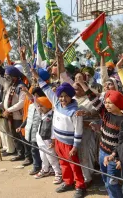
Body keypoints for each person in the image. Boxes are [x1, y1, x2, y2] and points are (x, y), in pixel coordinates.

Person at [35, 66, 86, 198]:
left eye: (66, 96)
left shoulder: (76, 111)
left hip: (69, 144)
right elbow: (45, 89)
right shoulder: (56, 103)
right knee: (63, 163)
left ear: (70, 97)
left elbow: (78, 130)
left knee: (74, 165)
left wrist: (75, 146)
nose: (63, 99)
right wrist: (36, 76)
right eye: (61, 96)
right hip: (58, 141)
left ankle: (80, 186)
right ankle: (68, 181)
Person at [78, 78, 123, 198]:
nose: (107, 105)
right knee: (105, 179)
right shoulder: (105, 113)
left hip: (113, 157)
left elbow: (122, 142)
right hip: (102, 152)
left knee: (112, 182)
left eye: (110, 103)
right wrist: (83, 84)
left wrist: (117, 157)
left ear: (118, 103)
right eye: (106, 102)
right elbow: (94, 99)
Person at [0, 62, 32, 165]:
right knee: (14, 135)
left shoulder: (20, 87)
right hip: (10, 115)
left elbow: (21, 103)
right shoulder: (9, 85)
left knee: (22, 137)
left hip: (18, 116)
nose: (5, 77)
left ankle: (28, 157)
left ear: (14, 77)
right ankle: (20, 153)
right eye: (5, 75)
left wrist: (8, 110)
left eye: (7, 76)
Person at [22, 88, 63, 183]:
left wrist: (53, 141)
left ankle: (58, 173)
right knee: (43, 156)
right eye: (39, 106)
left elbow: (53, 129)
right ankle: (45, 169)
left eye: (42, 106)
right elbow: (34, 101)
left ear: (48, 106)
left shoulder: (52, 115)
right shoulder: (42, 113)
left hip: (48, 141)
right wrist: (27, 93)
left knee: (52, 158)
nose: (39, 108)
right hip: (40, 139)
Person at [18, 87, 44, 176]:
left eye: (37, 96)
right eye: (34, 96)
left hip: (38, 132)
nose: (35, 98)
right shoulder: (30, 106)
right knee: (33, 149)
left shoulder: (42, 107)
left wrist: (26, 92)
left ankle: (37, 167)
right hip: (30, 131)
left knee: (35, 150)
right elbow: (27, 118)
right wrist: (21, 127)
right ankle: (37, 165)